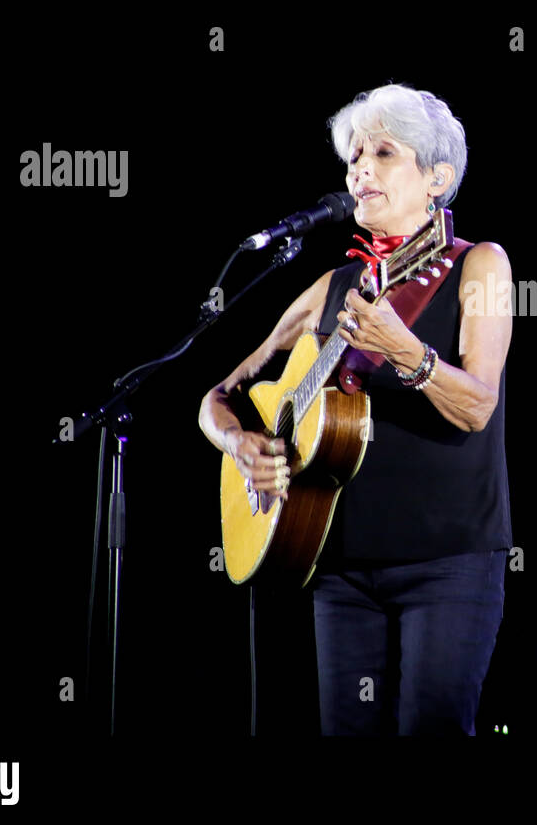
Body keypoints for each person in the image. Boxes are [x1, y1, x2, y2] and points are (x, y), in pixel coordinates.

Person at [198, 83, 513, 735]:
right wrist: (241, 444)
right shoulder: (333, 288)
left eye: (384, 153)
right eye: (354, 156)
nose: (360, 168)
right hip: (336, 563)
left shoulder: (478, 266)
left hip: (447, 562)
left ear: (437, 179)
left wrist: (407, 352)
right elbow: (218, 397)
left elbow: (478, 406)